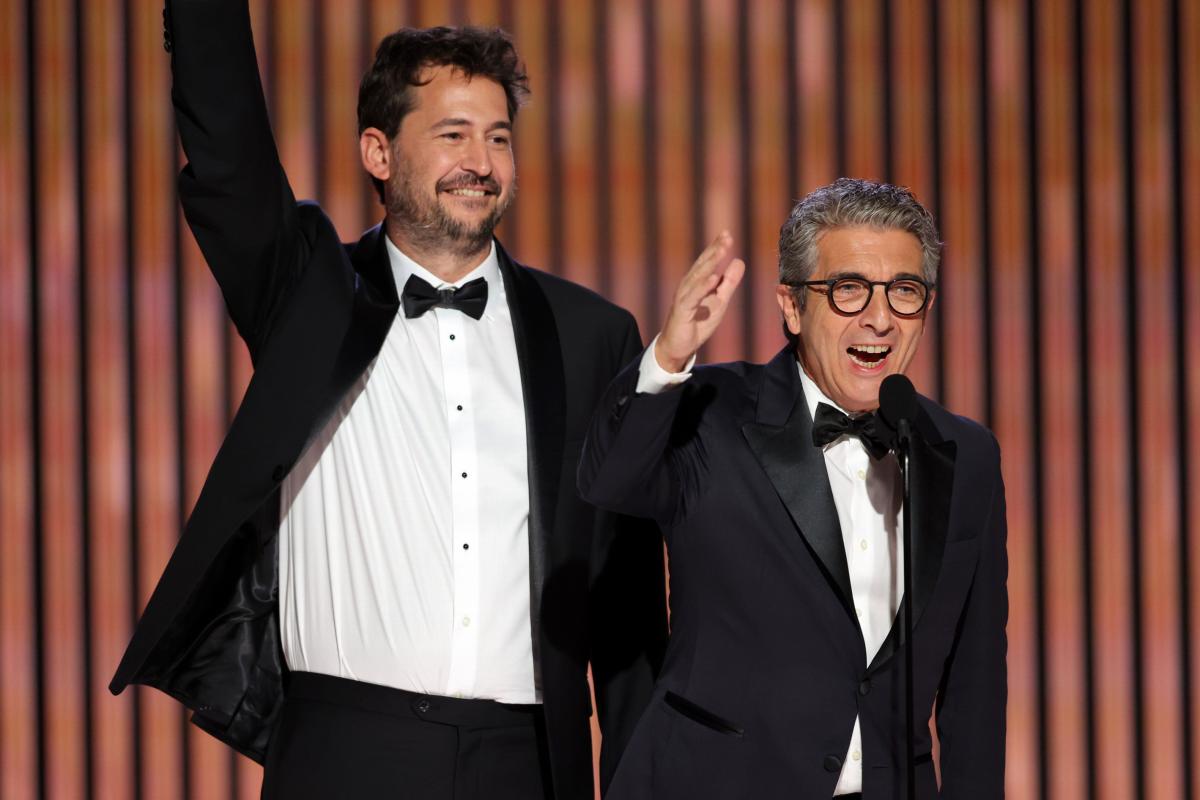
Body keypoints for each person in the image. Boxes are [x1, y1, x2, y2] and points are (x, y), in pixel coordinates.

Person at [109, 3, 667, 798]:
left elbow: (626, 609)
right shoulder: (309, 297)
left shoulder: (594, 336)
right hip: (346, 752)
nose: (481, 162)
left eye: (498, 138)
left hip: (531, 763)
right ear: (379, 151)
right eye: (452, 134)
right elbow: (230, 165)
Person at [579, 178, 1007, 799]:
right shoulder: (711, 412)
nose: (880, 318)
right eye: (849, 289)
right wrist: (667, 359)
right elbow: (608, 480)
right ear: (792, 305)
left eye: (904, 291)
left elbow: (976, 686)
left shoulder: (967, 455)